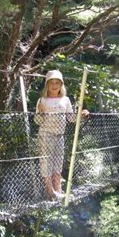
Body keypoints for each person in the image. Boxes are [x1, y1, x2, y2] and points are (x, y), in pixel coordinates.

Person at [35, 70, 89, 201]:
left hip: (60, 135)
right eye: (52, 82)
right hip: (45, 135)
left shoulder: (66, 100)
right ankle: (49, 191)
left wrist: (81, 115)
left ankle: (59, 189)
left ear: (61, 84)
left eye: (57, 82)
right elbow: (37, 121)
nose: (54, 85)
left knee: (58, 163)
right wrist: (41, 113)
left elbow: (71, 118)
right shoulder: (42, 100)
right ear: (47, 84)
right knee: (46, 162)